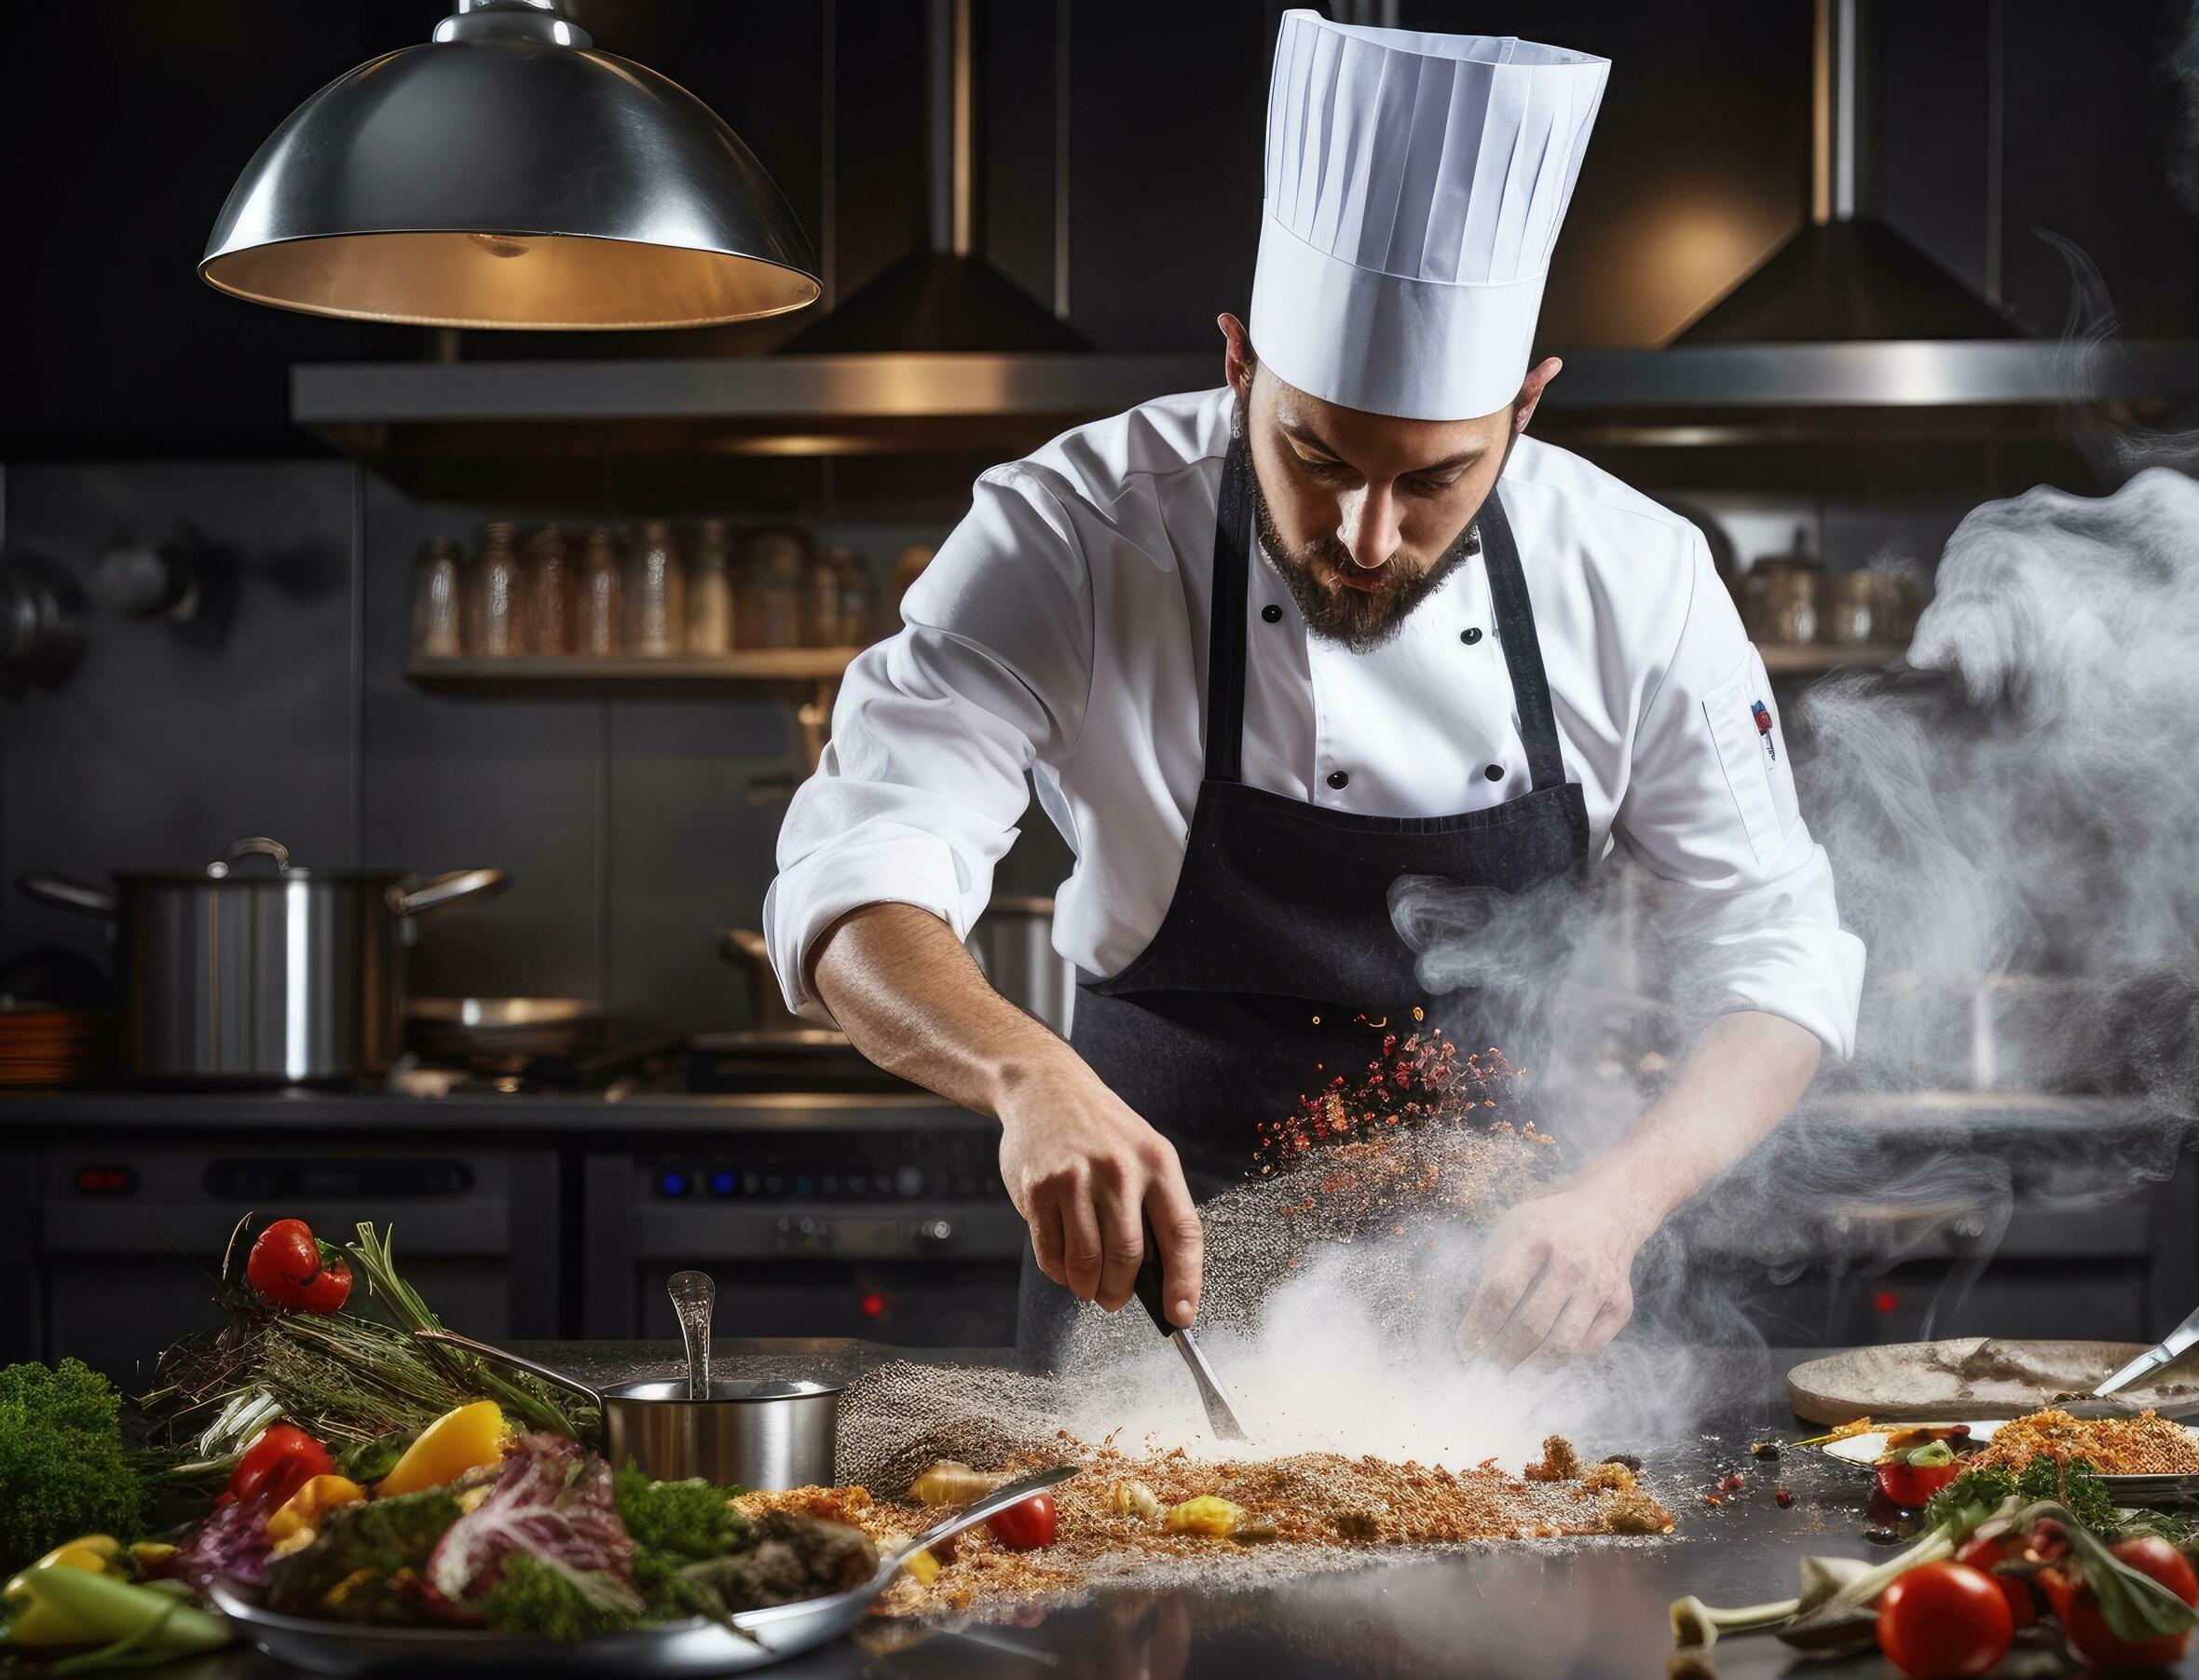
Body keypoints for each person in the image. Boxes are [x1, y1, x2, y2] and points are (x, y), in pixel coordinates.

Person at [766, 11, 1865, 1371]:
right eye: (1321, 458)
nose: (1365, 539)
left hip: (1503, 1300)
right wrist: (1027, 1076)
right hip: (1157, 1296)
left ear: (1526, 409)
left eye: (1434, 481)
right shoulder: (1072, 533)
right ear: (1238, 364)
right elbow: (854, 878)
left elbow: (1777, 955)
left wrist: (1615, 1205)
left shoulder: (1640, 576)